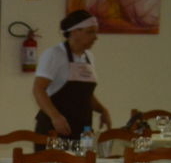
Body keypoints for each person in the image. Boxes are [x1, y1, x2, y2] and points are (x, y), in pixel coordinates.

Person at [33, 9, 112, 137]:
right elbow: (38, 89)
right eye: (90, 32)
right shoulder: (54, 54)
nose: (95, 37)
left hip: (82, 127)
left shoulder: (89, 57)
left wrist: (102, 110)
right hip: (54, 129)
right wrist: (55, 116)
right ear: (75, 32)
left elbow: (84, 94)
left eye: (95, 32)